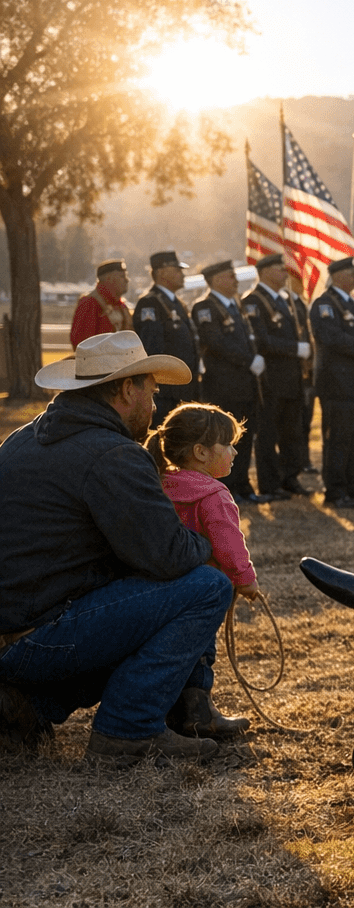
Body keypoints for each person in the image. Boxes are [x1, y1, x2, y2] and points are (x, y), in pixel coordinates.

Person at [0, 332, 225, 765]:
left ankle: (28, 705)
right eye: (153, 393)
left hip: (15, 631)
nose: (156, 407)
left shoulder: (22, 438)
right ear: (127, 389)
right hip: (37, 638)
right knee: (206, 586)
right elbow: (169, 557)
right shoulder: (112, 454)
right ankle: (129, 731)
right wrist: (208, 541)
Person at [146, 402, 262, 738]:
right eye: (227, 445)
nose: (234, 452)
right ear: (200, 452)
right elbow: (229, 545)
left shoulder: (159, 484)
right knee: (201, 652)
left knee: (171, 650)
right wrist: (246, 581)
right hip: (202, 595)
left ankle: (173, 711)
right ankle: (198, 713)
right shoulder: (215, 495)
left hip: (161, 590)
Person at [192, 261, 268, 505]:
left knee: (244, 437)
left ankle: (242, 484)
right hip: (223, 386)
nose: (235, 281)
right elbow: (216, 343)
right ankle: (226, 486)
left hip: (245, 386)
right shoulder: (205, 307)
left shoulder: (235, 305)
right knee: (223, 440)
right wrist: (249, 360)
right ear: (215, 280)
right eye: (230, 276)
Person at [309, 257, 354, 509]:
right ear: (338, 275)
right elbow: (331, 338)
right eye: (351, 273)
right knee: (338, 439)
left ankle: (353, 483)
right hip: (338, 385)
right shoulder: (325, 304)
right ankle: (336, 490)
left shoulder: (349, 304)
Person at [244, 253, 312, 499]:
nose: (285, 273)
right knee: (268, 433)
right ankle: (270, 483)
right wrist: (295, 348)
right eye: (279, 269)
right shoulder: (253, 301)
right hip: (270, 380)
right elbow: (261, 340)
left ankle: (290, 477)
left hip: (291, 378)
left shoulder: (284, 300)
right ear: (264, 272)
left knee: (291, 431)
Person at [134, 251, 200, 424]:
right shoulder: (151, 303)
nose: (182, 274)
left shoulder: (177, 303)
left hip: (183, 389)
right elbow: (152, 349)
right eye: (176, 270)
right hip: (165, 392)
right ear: (161, 273)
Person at [70, 259, 132, 349]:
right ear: (109, 278)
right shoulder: (89, 303)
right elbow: (82, 344)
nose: (127, 280)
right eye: (122, 276)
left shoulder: (122, 306)